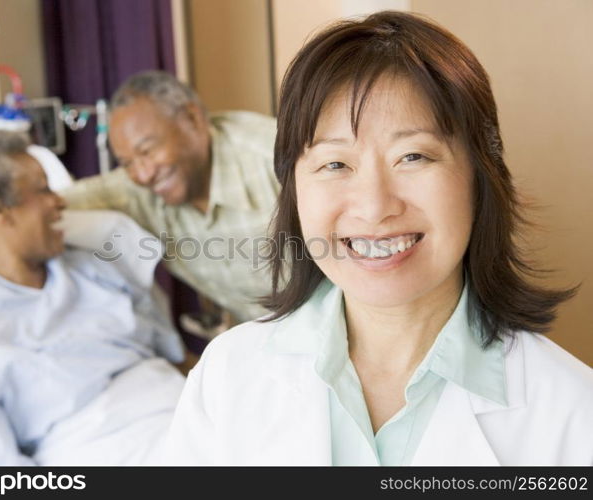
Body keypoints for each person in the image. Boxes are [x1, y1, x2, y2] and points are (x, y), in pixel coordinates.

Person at [161, 11, 593, 465]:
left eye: (413, 156)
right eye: (335, 164)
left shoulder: (572, 411)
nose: (374, 206)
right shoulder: (227, 373)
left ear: (480, 177)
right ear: (294, 191)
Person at [0, 131, 187, 465]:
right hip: (108, 450)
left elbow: (177, 358)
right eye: (42, 189)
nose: (59, 202)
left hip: (186, 414)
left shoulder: (93, 269)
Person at [60, 71, 279, 324]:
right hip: (265, 341)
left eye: (148, 150)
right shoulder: (137, 190)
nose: (143, 174)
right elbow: (53, 203)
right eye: (127, 163)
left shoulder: (277, 158)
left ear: (192, 119)